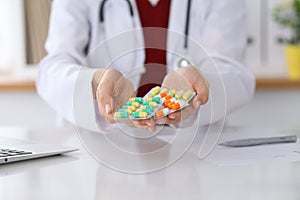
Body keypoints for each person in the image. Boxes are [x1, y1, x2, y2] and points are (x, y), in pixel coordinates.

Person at [37, 0, 255, 132]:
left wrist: (199, 84)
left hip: (192, 153)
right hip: (101, 153)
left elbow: (232, 71)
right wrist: (93, 83)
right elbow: (52, 68)